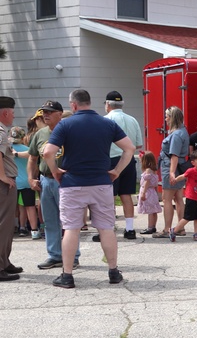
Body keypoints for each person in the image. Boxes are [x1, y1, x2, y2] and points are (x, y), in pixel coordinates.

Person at [43, 89, 135, 289]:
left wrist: (56, 171)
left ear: (73, 105)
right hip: (101, 183)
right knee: (106, 228)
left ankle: (67, 276)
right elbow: (130, 148)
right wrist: (117, 170)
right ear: (89, 102)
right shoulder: (107, 123)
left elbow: (48, 152)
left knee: (71, 229)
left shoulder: (65, 124)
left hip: (73, 184)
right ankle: (113, 271)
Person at [29, 101, 80, 270]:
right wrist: (31, 177)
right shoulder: (40, 134)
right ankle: (55, 255)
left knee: (68, 220)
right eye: (44, 112)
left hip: (66, 180)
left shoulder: (70, 131)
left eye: (50, 112)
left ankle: (72, 256)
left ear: (60, 113)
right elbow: (32, 158)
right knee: (50, 220)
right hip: (45, 180)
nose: (46, 115)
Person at [99, 90, 143, 240]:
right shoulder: (132, 120)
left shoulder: (105, 120)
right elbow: (137, 145)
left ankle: (109, 229)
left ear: (108, 104)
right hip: (128, 159)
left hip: (111, 160)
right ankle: (130, 229)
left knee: (108, 197)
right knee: (126, 195)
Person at [154, 106, 189, 239]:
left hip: (170, 167)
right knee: (179, 198)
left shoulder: (176, 134)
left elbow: (174, 154)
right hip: (177, 166)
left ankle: (167, 229)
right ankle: (180, 227)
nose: (165, 118)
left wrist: (172, 173)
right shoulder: (182, 131)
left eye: (167, 116)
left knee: (167, 199)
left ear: (173, 118)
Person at [0, 97, 21, 280]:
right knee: (4, 225)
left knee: (6, 225)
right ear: (5, 113)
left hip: (5, 182)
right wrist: (2, 176)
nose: (13, 116)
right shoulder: (0, 130)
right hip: (3, 183)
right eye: (12, 113)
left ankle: (4, 261)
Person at [169, 152, 197, 242]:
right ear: (193, 163)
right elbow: (183, 176)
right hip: (191, 197)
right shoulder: (191, 171)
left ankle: (196, 233)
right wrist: (175, 180)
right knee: (187, 217)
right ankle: (174, 230)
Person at [10, 126, 40, 238]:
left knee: (11, 207)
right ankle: (34, 231)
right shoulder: (27, 149)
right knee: (30, 206)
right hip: (27, 181)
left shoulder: (7, 149)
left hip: (12, 181)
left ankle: (11, 229)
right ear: (23, 137)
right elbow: (34, 164)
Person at [136, 152, 162, 235]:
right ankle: (153, 226)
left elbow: (147, 182)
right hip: (153, 192)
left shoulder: (148, 170)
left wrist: (143, 193)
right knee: (153, 210)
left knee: (150, 211)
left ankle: (150, 227)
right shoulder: (154, 171)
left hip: (147, 191)